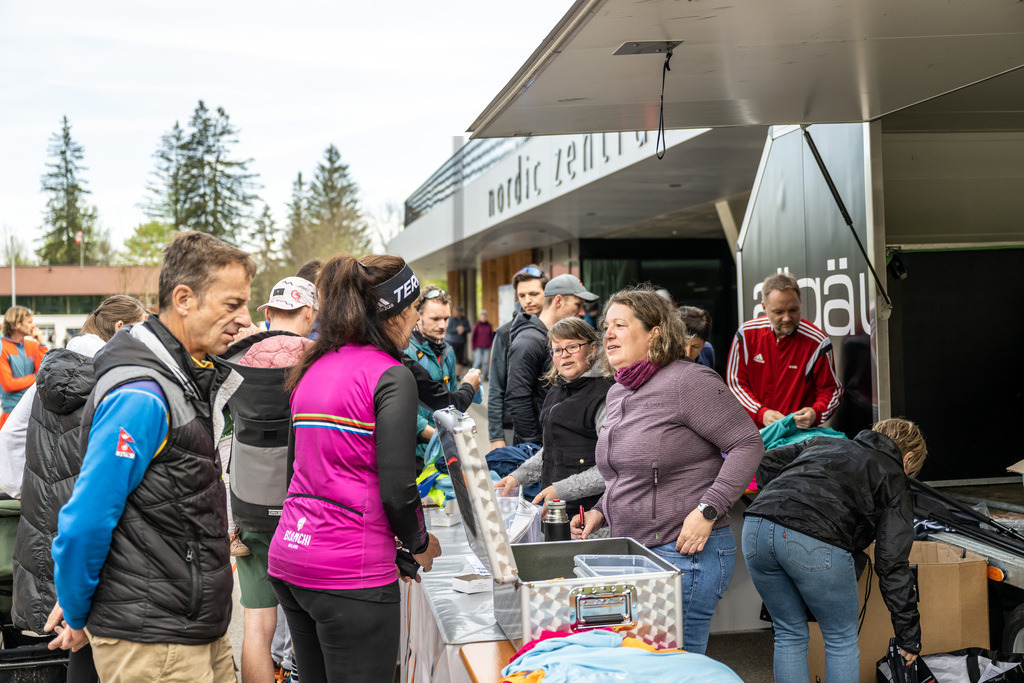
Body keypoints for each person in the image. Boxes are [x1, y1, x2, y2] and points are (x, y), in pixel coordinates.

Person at [48, 231, 256, 682]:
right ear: (184, 298)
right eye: (232, 304)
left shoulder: (185, 376)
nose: (245, 319)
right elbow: (85, 518)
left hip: (193, 630)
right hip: (157, 643)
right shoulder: (143, 396)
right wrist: (79, 611)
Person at [267, 254, 441, 683]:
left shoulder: (313, 365)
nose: (418, 316)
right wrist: (418, 542)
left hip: (292, 556)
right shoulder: (390, 375)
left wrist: (396, 548)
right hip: (349, 573)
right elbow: (398, 486)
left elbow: (299, 471)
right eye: (415, 307)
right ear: (395, 313)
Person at [572, 286, 764, 655]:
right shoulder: (618, 392)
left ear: (655, 331)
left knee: (676, 670)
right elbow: (623, 473)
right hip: (635, 553)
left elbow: (747, 444)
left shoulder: (688, 382)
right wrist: (600, 511)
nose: (607, 334)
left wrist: (708, 510)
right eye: (605, 326)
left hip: (684, 556)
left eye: (620, 325)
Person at [8, 295, 148, 683]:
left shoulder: (46, 375)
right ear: (120, 331)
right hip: (94, 522)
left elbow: (9, 439)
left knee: (65, 642)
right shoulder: (118, 380)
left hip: (44, 521)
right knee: (94, 640)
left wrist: (30, 490)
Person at [743, 418, 927, 682]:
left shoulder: (823, 443)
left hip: (756, 526)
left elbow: (766, 461)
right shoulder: (894, 476)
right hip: (815, 539)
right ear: (907, 458)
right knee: (841, 639)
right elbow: (892, 562)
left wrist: (781, 501)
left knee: (788, 633)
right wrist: (908, 637)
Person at [222, 276, 318, 683]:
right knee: (309, 621)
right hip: (306, 508)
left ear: (269, 313)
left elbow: (220, 443)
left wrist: (228, 521)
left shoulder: (234, 360)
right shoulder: (317, 359)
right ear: (310, 312)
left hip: (249, 504)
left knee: (258, 626)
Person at [497, 317, 612, 511]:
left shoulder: (606, 394)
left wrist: (560, 490)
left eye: (573, 347)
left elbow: (611, 467)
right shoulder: (555, 391)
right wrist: (517, 477)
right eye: (557, 350)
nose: (564, 355)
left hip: (590, 517)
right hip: (555, 511)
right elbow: (550, 450)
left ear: (593, 348)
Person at [727, 273, 842, 429]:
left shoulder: (818, 342)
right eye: (779, 312)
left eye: (793, 310)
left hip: (796, 437)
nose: (787, 318)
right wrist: (761, 413)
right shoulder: (746, 334)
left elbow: (831, 390)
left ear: (800, 303)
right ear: (764, 307)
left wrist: (815, 412)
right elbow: (735, 384)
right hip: (751, 434)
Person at [506, 274, 598, 446]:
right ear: (558, 301)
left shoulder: (548, 338)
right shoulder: (529, 341)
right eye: (578, 305)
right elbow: (518, 398)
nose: (582, 312)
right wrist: (532, 447)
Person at [487, 265, 547, 450]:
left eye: (534, 294)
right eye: (522, 296)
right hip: (512, 428)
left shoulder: (556, 330)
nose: (527, 301)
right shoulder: (505, 333)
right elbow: (496, 387)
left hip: (546, 427)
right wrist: (496, 436)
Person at [406, 286, 461, 470]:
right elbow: (400, 408)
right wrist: (436, 435)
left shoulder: (448, 351)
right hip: (415, 456)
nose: (443, 325)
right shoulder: (406, 351)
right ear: (418, 316)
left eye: (446, 318)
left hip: (444, 452)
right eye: (435, 319)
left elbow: (453, 401)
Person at [1, 306, 48, 429]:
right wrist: (34, 378)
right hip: (10, 414)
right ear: (17, 324)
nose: (33, 326)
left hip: (32, 411)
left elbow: (44, 375)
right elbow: (8, 384)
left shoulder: (33, 345)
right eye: (29, 322)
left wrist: (42, 344)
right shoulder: (2, 346)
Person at [678, 306, 715, 370]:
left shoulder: (707, 351)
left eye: (696, 347)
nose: (688, 353)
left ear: (703, 343)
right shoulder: (661, 359)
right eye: (683, 344)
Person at [445, 305, 471, 373]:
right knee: (452, 359)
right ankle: (452, 374)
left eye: (456, 311)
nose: (454, 313)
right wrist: (457, 330)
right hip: (452, 342)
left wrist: (463, 329)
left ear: (460, 312)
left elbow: (469, 329)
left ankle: (457, 375)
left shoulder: (464, 319)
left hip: (461, 342)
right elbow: (447, 330)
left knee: (460, 360)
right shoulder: (451, 319)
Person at [470, 310, 495, 380]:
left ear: (486, 317)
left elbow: (491, 336)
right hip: (478, 347)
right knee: (477, 361)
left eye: (485, 317)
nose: (483, 318)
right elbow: (473, 336)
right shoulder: (476, 325)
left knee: (485, 362)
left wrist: (491, 345)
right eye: (482, 316)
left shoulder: (489, 326)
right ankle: (472, 375)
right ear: (480, 317)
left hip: (486, 347)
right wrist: (473, 346)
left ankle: (485, 375)